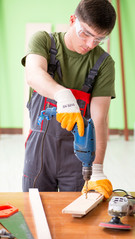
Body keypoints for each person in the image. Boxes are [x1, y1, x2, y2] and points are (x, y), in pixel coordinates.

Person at [21, 0, 116, 199]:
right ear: (73, 20)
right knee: (35, 211)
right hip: (39, 154)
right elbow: (33, 74)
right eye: (86, 34)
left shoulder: (103, 63)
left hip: (79, 158)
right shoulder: (44, 41)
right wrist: (63, 95)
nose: (90, 44)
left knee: (78, 215)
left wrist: (97, 169)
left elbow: (99, 119)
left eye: (99, 39)